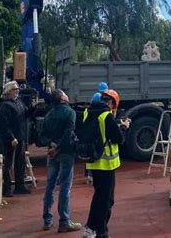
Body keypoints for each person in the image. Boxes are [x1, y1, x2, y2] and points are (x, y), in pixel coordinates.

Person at [84, 89, 131, 238]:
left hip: (93, 162)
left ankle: (90, 228)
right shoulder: (106, 116)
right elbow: (119, 138)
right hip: (107, 164)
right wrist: (124, 127)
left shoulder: (88, 113)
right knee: (106, 200)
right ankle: (101, 232)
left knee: (98, 197)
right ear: (111, 103)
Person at [40, 89, 81, 233]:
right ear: (62, 99)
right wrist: (58, 148)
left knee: (50, 185)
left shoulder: (49, 115)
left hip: (52, 153)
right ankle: (64, 221)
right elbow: (69, 133)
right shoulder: (70, 113)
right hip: (66, 152)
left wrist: (51, 145)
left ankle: (47, 219)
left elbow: (42, 135)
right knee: (65, 186)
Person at [0, 81, 31, 197]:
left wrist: (34, 106)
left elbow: (27, 113)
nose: (17, 91)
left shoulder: (18, 102)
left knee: (20, 162)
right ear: (8, 91)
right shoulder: (5, 105)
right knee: (8, 163)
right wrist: (11, 137)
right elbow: (4, 124)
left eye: (17, 89)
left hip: (20, 136)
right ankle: (7, 188)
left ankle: (20, 186)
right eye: (15, 89)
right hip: (11, 138)